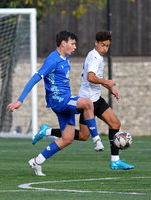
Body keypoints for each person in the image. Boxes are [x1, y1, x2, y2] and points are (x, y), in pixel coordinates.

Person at [32, 30, 134, 170]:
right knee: (83, 135)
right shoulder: (94, 57)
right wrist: (107, 82)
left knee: (114, 123)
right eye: (102, 45)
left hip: (96, 99)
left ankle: (115, 161)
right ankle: (48, 132)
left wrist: (110, 88)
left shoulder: (98, 56)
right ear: (96, 43)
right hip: (88, 101)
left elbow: (95, 78)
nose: (105, 49)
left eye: (107, 46)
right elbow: (90, 77)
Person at [7, 31, 104, 176]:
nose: (75, 47)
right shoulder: (52, 60)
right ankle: (97, 140)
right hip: (59, 100)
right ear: (63, 43)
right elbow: (35, 78)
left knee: (68, 138)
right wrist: (20, 100)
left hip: (65, 99)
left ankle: (37, 161)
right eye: (72, 44)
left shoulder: (65, 58)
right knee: (88, 103)